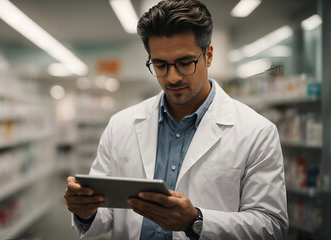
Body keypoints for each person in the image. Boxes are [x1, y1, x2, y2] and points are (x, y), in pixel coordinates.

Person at [64, 0, 289, 239]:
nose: (172, 77)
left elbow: (272, 226)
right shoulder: (121, 124)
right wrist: (85, 211)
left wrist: (196, 221)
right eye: (160, 65)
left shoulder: (257, 131)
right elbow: (107, 213)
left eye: (185, 63)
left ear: (208, 55)